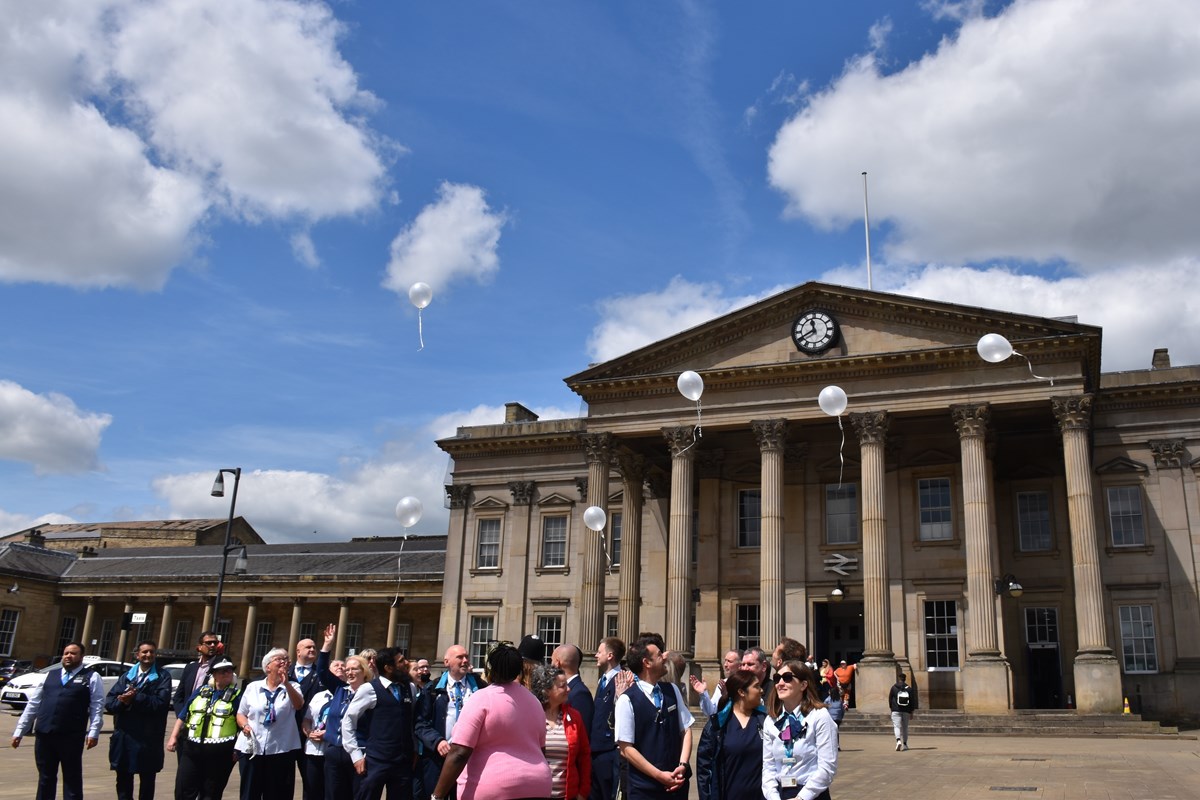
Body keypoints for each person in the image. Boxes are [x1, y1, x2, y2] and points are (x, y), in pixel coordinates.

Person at [430, 642, 552, 800]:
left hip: (493, 787)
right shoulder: (534, 702)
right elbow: (540, 749)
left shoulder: (481, 699)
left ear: (490, 669)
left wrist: (437, 795)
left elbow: (459, 752)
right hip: (538, 785)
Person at [11, 641, 105, 800]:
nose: (68, 656)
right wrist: (19, 731)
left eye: (73, 653)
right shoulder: (50, 675)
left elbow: (97, 706)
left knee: (71, 777)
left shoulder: (91, 677)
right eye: (66, 653)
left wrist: (94, 732)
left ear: (81, 657)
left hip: (71, 735)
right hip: (45, 734)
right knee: (45, 777)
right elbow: (33, 704)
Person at [616, 634, 694, 799]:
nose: (664, 658)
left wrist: (683, 765)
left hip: (677, 786)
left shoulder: (672, 690)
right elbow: (626, 748)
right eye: (659, 655)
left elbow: (686, 729)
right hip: (644, 789)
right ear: (647, 662)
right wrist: (659, 775)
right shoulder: (627, 699)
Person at [341, 646, 417, 800]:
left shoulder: (410, 688)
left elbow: (412, 721)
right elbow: (348, 720)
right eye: (401, 661)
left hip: (403, 762)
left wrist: (414, 749)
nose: (407, 663)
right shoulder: (369, 689)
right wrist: (356, 755)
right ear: (389, 668)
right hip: (377, 762)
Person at [166, 656, 243, 800]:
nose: (226, 673)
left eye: (229, 671)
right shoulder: (200, 691)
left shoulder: (238, 696)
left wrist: (238, 749)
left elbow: (241, 721)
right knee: (184, 789)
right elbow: (183, 715)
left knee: (211, 792)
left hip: (220, 751)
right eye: (222, 671)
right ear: (214, 674)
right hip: (192, 748)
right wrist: (173, 737)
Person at [415, 644, 486, 799]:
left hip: (471, 758)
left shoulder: (481, 688)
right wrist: (437, 741)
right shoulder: (432, 689)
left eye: (466, 657)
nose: (465, 660)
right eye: (460, 657)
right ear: (446, 662)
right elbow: (420, 723)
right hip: (439, 759)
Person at [105, 639, 173, 800]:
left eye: (151, 652)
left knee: (147, 780)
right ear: (137, 655)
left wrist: (136, 697)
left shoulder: (163, 676)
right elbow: (110, 702)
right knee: (123, 779)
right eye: (144, 652)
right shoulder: (126, 676)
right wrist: (123, 701)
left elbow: (160, 704)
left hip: (147, 738)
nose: (148, 655)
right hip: (124, 735)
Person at [236, 647, 305, 800]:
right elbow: (241, 713)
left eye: (286, 660)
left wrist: (286, 684)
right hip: (253, 749)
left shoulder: (293, 687)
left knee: (277, 793)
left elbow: (299, 705)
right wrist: (245, 726)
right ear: (268, 666)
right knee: (249, 792)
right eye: (279, 659)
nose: (284, 662)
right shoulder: (253, 687)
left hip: (281, 749)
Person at [761, 662, 837, 800]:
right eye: (777, 678)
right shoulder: (770, 721)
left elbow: (827, 768)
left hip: (811, 794)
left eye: (788, 677)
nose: (780, 683)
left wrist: (801, 797)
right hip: (779, 793)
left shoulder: (819, 716)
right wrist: (773, 796)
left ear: (803, 685)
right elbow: (768, 766)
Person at [696, 670, 767, 800]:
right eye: (756, 686)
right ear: (741, 692)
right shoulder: (717, 726)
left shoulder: (766, 722)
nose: (761, 690)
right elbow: (704, 771)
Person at [532, 665, 592, 800]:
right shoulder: (531, 716)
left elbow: (585, 756)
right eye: (562, 686)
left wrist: (583, 791)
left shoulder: (575, 717)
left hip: (567, 795)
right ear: (547, 690)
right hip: (535, 793)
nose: (568, 689)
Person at [321, 654, 373, 800]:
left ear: (364, 671)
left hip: (359, 753)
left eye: (354, 669)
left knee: (358, 795)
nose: (349, 672)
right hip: (335, 751)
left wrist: (366, 755)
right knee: (333, 794)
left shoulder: (371, 693)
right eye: (347, 669)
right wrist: (326, 648)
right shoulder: (340, 690)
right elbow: (322, 672)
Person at [590, 636, 628, 800]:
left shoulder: (623, 679)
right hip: (596, 749)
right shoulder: (602, 680)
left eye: (600, 652)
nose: (596, 655)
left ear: (610, 655)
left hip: (610, 751)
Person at [291, 635, 325, 800]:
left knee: (312, 782)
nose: (312, 650)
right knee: (282, 780)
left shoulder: (321, 674)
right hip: (286, 735)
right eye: (308, 647)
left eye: (314, 647)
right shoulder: (287, 673)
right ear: (298, 651)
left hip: (310, 735)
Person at [173, 631, 223, 717]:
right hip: (186, 719)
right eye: (208, 643)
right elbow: (178, 696)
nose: (212, 645)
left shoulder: (220, 668)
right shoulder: (190, 667)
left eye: (215, 643)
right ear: (199, 647)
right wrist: (181, 716)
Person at [552, 644, 595, 732]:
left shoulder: (580, 693)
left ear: (557, 663)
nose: (550, 664)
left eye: (551, 660)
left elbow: (583, 731)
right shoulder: (573, 689)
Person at [690, 649, 741, 717]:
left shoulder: (746, 684)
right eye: (725, 661)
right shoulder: (722, 684)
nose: (725, 665)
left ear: (740, 665)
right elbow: (711, 712)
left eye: (730, 661)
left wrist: (726, 696)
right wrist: (703, 693)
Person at [888, 673, 918, 751]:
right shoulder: (909, 689)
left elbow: (890, 699)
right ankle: (905, 744)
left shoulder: (894, 688)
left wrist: (891, 708)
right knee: (905, 728)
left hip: (896, 709)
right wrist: (911, 711)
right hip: (906, 710)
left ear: (899, 678)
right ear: (905, 679)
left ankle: (898, 741)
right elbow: (912, 701)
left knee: (897, 726)